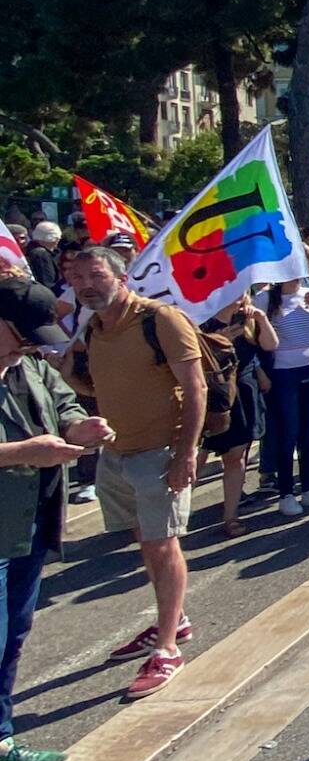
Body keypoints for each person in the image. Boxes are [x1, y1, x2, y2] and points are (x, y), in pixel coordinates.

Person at [61, 245, 205, 699]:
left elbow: (195, 386)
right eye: (77, 278)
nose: (87, 285)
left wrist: (186, 452)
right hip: (117, 454)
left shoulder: (159, 319)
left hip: (160, 452)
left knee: (163, 545)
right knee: (146, 540)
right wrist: (69, 378)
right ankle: (173, 621)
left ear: (122, 277)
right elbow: (99, 386)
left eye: (96, 275)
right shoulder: (95, 327)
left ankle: (166, 648)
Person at [0, 280, 115, 761]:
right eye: (24, 336)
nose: (33, 347)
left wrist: (80, 426)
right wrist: (26, 450)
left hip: (29, 525)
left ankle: (2, 746)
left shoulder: (29, 366)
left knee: (12, 638)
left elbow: (63, 401)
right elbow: (26, 444)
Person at [203, 292, 277, 536]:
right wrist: (221, 337)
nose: (239, 295)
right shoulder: (204, 319)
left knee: (237, 454)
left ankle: (231, 516)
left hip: (243, 390)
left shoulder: (247, 319)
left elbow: (270, 345)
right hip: (214, 394)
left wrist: (262, 319)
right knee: (198, 455)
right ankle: (173, 514)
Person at [262, 279, 309, 518]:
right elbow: (257, 341)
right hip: (283, 372)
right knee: (288, 432)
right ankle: (286, 493)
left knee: (307, 432)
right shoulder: (265, 299)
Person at [24, 222, 59, 292]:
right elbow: (47, 281)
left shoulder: (32, 250)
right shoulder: (41, 254)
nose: (58, 239)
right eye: (56, 237)